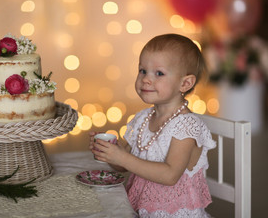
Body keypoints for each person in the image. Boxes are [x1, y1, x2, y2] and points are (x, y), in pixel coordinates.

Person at [89, 33, 216, 217]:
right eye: (142, 71)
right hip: (141, 210)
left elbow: (170, 175)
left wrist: (122, 158)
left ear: (185, 83)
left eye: (159, 73)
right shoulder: (142, 119)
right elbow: (125, 165)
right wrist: (110, 153)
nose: (146, 79)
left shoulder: (186, 126)